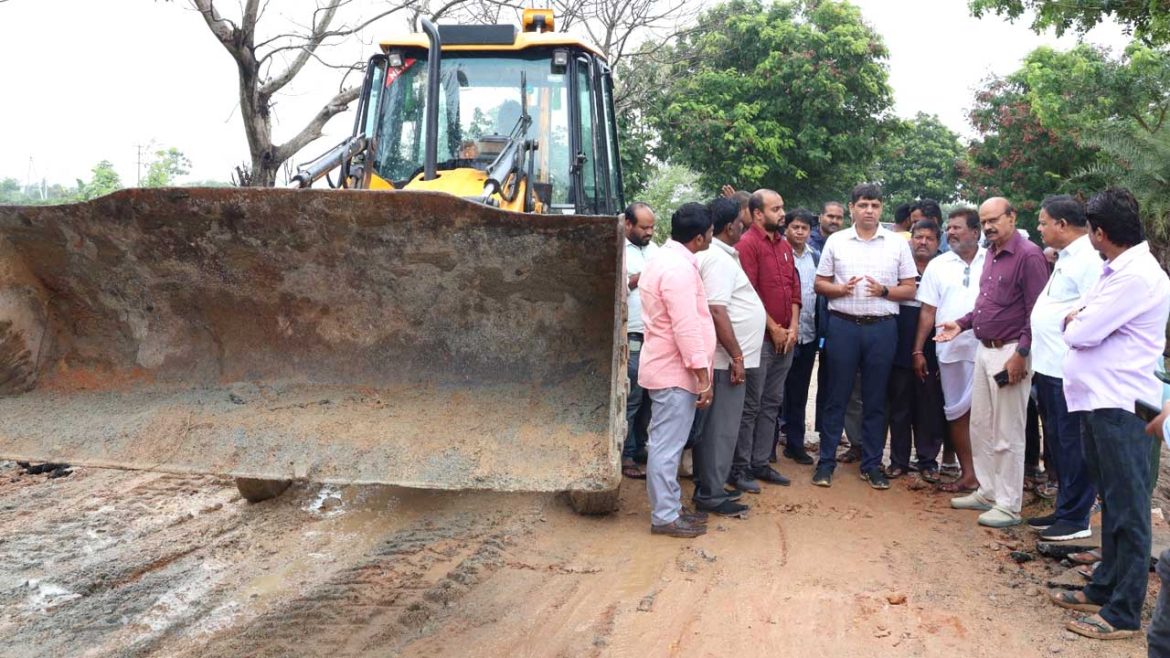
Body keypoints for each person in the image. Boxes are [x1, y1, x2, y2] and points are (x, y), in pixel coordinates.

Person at [1050, 187, 1170, 640]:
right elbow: (1085, 319)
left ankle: (1123, 612)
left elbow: (1083, 331)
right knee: (1113, 504)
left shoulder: (1137, 276)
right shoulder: (1117, 269)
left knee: (1130, 509)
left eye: (1092, 233)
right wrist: (1079, 319)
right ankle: (1105, 586)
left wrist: (1075, 321)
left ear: (1100, 232)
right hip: (1101, 401)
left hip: (1121, 404)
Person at [936, 197, 1050, 527]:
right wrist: (961, 323)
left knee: (1008, 431)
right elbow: (986, 305)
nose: (988, 226)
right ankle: (987, 491)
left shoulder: (1028, 256)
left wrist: (1021, 355)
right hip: (984, 349)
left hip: (1010, 352)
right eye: (984, 221)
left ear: (1012, 217)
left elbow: (1036, 313)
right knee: (981, 425)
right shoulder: (992, 254)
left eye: (994, 219)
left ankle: (1009, 504)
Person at [812, 183, 918, 489]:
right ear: (851, 208)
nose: (869, 210)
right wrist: (840, 289)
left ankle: (871, 464)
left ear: (881, 208)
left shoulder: (897, 244)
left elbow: (910, 288)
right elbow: (820, 284)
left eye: (874, 205)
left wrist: (884, 290)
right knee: (837, 396)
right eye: (863, 205)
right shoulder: (837, 241)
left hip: (882, 328)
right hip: (843, 325)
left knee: (876, 398)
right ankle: (826, 462)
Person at [638, 202, 717, 538]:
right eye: (711, 232)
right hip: (675, 371)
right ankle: (665, 517)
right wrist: (702, 376)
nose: (712, 236)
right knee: (666, 447)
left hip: (668, 367)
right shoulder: (678, 269)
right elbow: (685, 327)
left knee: (665, 444)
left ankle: (669, 508)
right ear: (700, 238)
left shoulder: (665, 259)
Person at [1025, 195, 1102, 541]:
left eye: (1043, 223)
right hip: (1048, 364)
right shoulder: (1066, 257)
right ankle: (1064, 508)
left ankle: (1076, 518)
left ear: (1061, 224)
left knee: (1072, 443)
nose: (1039, 228)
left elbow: (1093, 308)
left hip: (1067, 366)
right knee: (1057, 439)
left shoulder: (1087, 258)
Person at [691, 197, 765, 517]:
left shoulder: (722, 256)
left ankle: (712, 486)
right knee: (720, 430)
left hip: (728, 360)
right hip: (726, 362)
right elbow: (717, 310)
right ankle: (710, 492)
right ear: (729, 226)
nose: (744, 223)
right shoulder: (719, 260)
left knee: (719, 429)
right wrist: (736, 356)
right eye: (741, 218)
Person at [732, 189, 801, 492]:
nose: (782, 213)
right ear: (758, 214)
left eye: (782, 207)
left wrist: (793, 327)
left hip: (786, 338)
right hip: (760, 338)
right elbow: (750, 294)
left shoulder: (784, 245)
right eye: (776, 208)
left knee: (773, 402)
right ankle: (741, 467)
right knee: (752, 405)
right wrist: (773, 327)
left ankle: (761, 462)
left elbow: (794, 289)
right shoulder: (747, 245)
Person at [914, 208, 986, 494]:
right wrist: (918, 350)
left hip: (988, 349)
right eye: (949, 228)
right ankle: (969, 475)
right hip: (950, 351)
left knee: (989, 416)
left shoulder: (993, 260)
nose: (951, 232)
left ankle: (991, 480)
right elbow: (927, 312)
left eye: (957, 227)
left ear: (976, 232)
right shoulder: (938, 265)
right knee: (956, 413)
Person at [885, 220, 946, 479]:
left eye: (929, 238)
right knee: (899, 403)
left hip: (932, 344)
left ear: (937, 241)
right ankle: (898, 460)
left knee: (929, 405)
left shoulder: (945, 267)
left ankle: (928, 460)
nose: (922, 242)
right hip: (899, 343)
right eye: (918, 237)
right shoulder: (898, 266)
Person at [779, 208, 821, 464]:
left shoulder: (815, 257)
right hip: (782, 333)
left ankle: (795, 444)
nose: (800, 231)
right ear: (787, 228)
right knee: (773, 394)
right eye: (795, 226)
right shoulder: (779, 253)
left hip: (808, 333)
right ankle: (766, 446)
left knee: (799, 392)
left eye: (804, 228)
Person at [622, 202, 658, 480]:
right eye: (644, 227)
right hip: (631, 334)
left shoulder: (655, 252)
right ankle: (626, 454)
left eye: (652, 227)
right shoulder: (618, 250)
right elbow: (613, 286)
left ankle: (640, 447)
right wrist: (638, 278)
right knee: (632, 396)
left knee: (649, 396)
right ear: (628, 224)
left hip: (654, 335)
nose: (649, 232)